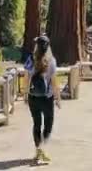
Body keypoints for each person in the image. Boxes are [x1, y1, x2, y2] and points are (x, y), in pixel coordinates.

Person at [24, 35, 61, 164]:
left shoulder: (30, 59)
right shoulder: (52, 61)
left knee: (36, 124)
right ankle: (42, 149)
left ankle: (38, 151)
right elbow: (55, 82)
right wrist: (58, 98)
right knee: (48, 124)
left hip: (33, 97)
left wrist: (25, 94)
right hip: (47, 97)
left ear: (37, 46)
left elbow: (26, 78)